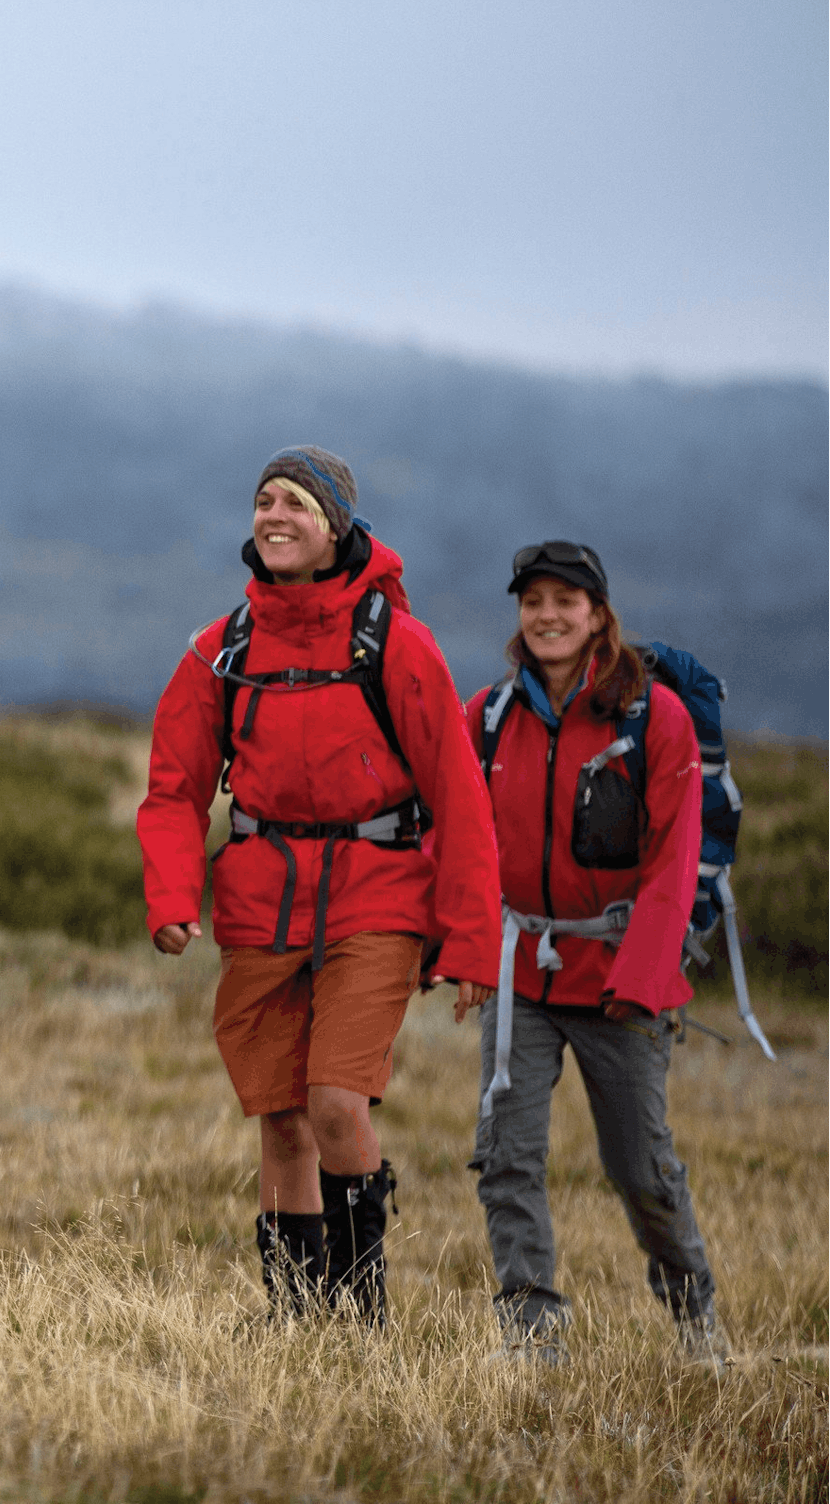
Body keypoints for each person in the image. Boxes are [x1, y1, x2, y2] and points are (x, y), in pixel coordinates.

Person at [137, 446, 500, 1324]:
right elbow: (174, 788)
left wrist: (472, 944)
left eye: (296, 503)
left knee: (336, 1102)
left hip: (378, 898)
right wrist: (173, 900)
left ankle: (360, 1309)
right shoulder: (219, 650)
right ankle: (299, 1319)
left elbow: (459, 797)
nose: (275, 516)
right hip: (263, 903)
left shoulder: (397, 646)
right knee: (282, 1117)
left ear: (335, 527)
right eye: (264, 501)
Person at [465, 541, 725, 1365]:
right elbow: (465, 848)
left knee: (642, 1169)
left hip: (621, 980)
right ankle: (531, 1337)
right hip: (521, 975)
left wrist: (643, 979)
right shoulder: (490, 716)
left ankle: (694, 1315)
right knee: (506, 1158)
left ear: (599, 615)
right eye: (532, 600)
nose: (546, 615)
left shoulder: (658, 719)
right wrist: (469, 955)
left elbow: (674, 860)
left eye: (565, 601)